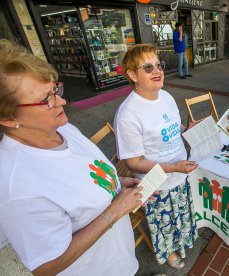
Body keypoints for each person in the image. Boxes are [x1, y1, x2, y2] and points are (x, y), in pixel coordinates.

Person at [0, 39, 145, 275]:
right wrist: (116, 210)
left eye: (55, 90)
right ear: (8, 119)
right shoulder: (17, 185)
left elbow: (81, 177)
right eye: (46, 99)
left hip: (120, 261)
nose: (62, 101)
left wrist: (115, 183)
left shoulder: (62, 128)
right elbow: (46, 266)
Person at [114, 44, 199, 269]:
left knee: (180, 212)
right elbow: (133, 162)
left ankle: (181, 240)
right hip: (156, 183)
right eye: (148, 67)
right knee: (165, 220)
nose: (157, 71)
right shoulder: (128, 114)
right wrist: (172, 168)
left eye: (158, 65)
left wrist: (188, 128)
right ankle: (169, 251)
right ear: (132, 75)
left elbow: (174, 125)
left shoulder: (166, 96)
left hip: (179, 173)